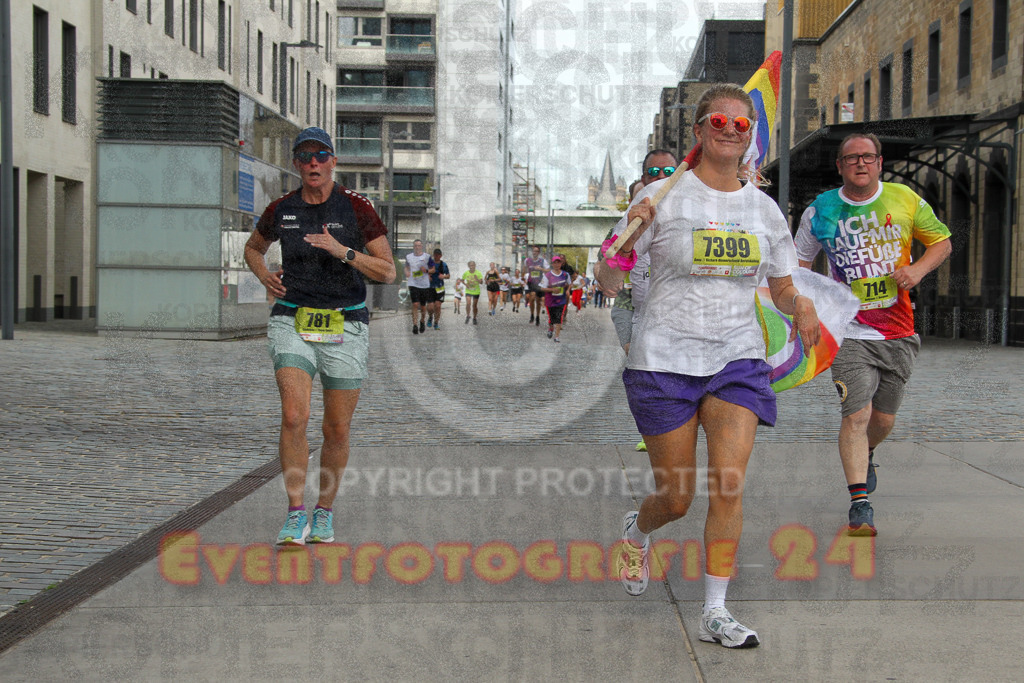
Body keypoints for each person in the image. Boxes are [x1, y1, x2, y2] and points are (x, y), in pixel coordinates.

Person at [596, 85, 820, 648]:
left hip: (736, 359)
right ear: (698, 131)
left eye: (741, 124)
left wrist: (805, 306)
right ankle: (638, 528)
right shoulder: (660, 196)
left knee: (729, 483)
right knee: (677, 497)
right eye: (718, 120)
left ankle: (716, 610)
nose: (730, 129)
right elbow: (607, 283)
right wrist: (627, 240)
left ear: (751, 139)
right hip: (663, 361)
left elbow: (783, 287)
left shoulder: (763, 211)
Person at [244, 127, 396, 546]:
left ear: (333, 161)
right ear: (296, 163)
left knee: (336, 428)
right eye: (305, 156)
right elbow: (253, 248)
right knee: (294, 415)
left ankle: (324, 513)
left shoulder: (357, 209)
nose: (313, 162)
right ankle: (295, 513)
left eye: (321, 155)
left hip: (345, 324)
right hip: (292, 318)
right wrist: (263, 276)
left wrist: (342, 251)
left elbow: (387, 271)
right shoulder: (281, 209)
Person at [795, 132, 951, 536]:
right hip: (849, 330)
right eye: (852, 158)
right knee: (857, 414)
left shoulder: (905, 199)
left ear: (879, 163)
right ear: (840, 166)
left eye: (868, 157)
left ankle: (869, 453)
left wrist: (917, 270)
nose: (860, 163)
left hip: (898, 330)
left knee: (881, 420)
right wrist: (811, 306)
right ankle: (859, 504)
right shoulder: (821, 211)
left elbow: (942, 243)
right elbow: (798, 263)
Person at [538, 254, 572, 342]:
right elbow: (542, 288)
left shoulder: (565, 274)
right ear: (552, 264)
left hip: (561, 300)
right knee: (551, 318)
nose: (557, 264)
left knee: (559, 317)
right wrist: (552, 289)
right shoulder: (547, 275)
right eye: (555, 263)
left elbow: (569, 283)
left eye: (559, 262)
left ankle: (556, 337)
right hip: (550, 300)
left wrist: (568, 289)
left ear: (561, 263)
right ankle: (550, 328)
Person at [404, 240, 434, 335]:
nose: (417, 247)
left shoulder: (427, 257)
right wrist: (407, 272)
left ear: (422, 246)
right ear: (414, 246)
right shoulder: (409, 257)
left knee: (423, 306)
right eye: (415, 245)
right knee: (415, 304)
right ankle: (415, 325)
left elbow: (433, 269)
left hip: (424, 284)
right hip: (413, 283)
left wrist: (426, 270)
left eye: (419, 245)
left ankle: (422, 321)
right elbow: (406, 267)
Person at [523, 246, 549, 326]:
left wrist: (541, 269)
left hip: (540, 282)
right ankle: (532, 315)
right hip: (531, 282)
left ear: (538, 253)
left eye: (536, 251)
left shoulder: (542, 261)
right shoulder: (527, 260)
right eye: (533, 251)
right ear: (532, 252)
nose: (534, 252)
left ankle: (537, 316)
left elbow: (548, 270)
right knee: (532, 297)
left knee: (538, 301)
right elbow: (524, 269)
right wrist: (524, 277)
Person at [428, 248, 450, 330]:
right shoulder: (429, 264)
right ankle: (430, 317)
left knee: (437, 306)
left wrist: (443, 276)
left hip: (440, 288)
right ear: (433, 255)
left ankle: (436, 322)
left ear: (440, 256)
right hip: (430, 288)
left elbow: (448, 275)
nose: (436, 256)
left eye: (438, 254)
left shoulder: (443, 265)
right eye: (435, 254)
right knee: (430, 307)